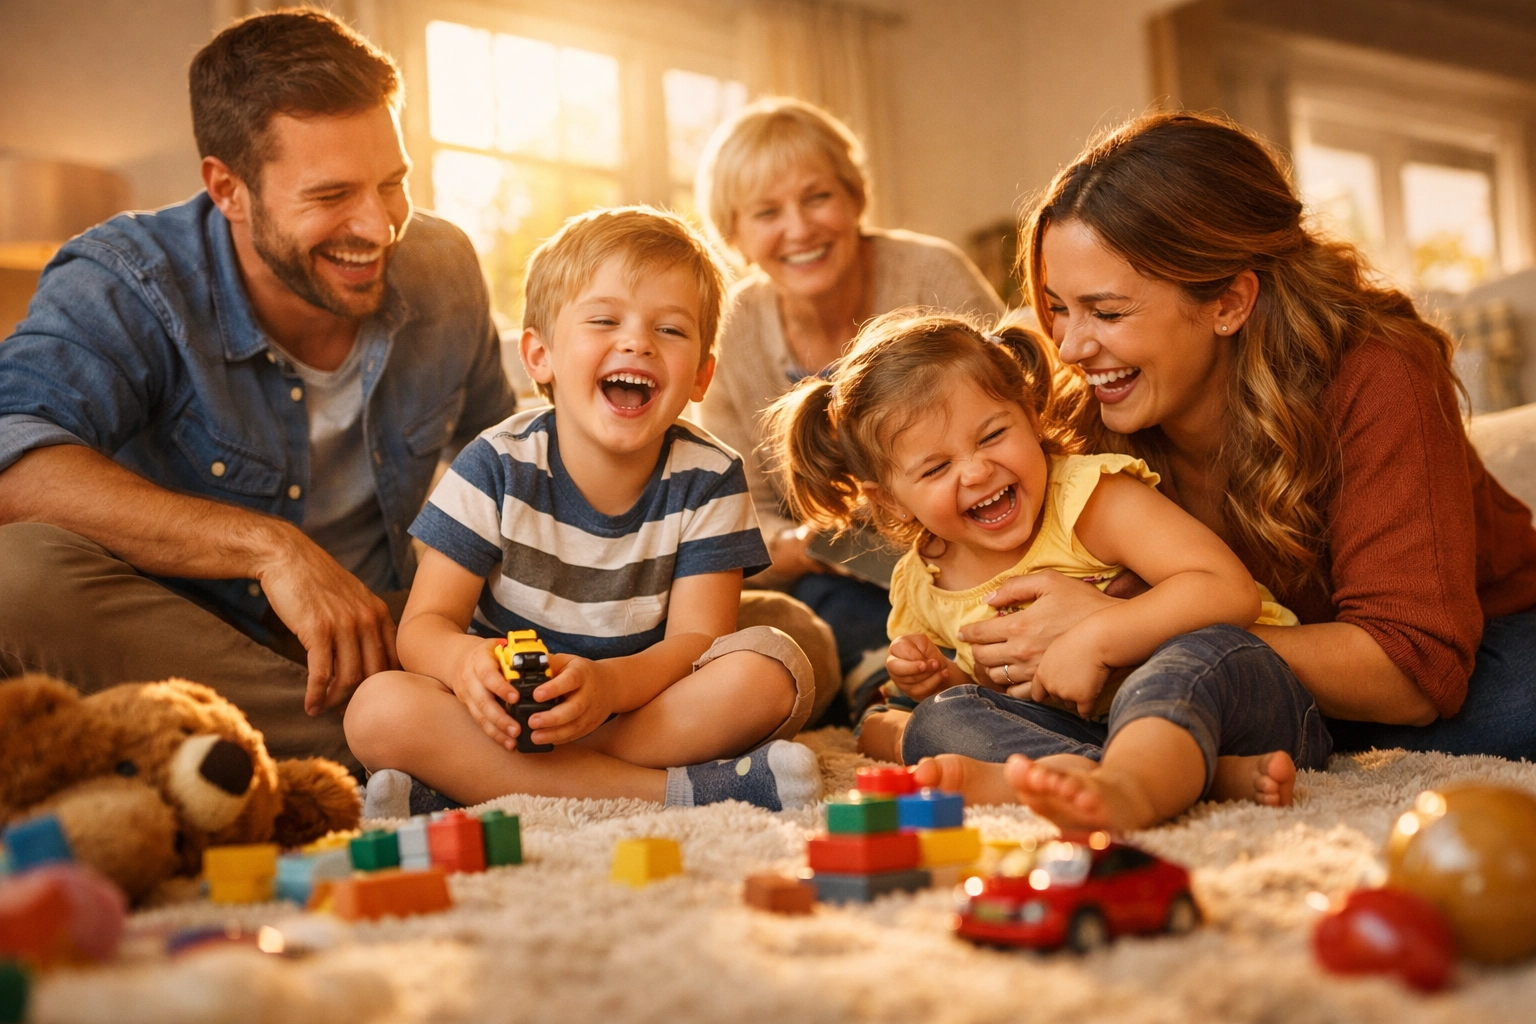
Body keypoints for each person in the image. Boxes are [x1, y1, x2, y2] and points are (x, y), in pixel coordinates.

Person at [904, 112, 1536, 805]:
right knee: (939, 725)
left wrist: (1123, 632)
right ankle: (1146, 767)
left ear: (1229, 301)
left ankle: (1176, 748)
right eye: (1058, 307)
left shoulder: (1378, 373)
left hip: (1476, 648)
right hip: (1224, 682)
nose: (1072, 345)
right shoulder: (1088, 399)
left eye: (1107, 313)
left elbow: (1410, 675)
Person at [0, 10, 517, 770]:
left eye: (392, 183)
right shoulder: (129, 277)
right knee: (16, 575)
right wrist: (269, 549)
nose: (378, 225)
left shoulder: (443, 264)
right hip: (195, 641)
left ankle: (403, 741)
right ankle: (402, 749)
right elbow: (14, 463)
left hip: (389, 630)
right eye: (332, 195)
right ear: (228, 189)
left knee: (734, 624)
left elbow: (505, 460)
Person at [344, 207, 822, 816]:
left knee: (769, 671)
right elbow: (423, 627)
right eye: (603, 320)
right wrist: (465, 662)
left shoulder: (710, 476)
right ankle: (683, 792)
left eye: (671, 331)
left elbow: (699, 640)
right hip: (502, 714)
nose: (637, 342)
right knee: (378, 708)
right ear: (539, 356)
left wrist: (610, 686)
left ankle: (475, 780)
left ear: (702, 375)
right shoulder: (494, 465)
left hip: (638, 705)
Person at [764, 310, 1325, 829]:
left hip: (1246, 697)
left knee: (1189, 655)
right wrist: (945, 681)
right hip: (1096, 732)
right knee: (938, 719)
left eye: (993, 435)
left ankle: (1138, 780)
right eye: (936, 467)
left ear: (1031, 415)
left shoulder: (1088, 498)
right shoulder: (920, 584)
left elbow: (1227, 592)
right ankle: (1177, 775)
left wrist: (1099, 637)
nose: (978, 470)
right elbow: (969, 704)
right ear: (888, 499)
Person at [695, 97, 1004, 723]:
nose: (800, 228)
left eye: (817, 197)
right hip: (828, 574)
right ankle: (900, 702)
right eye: (766, 212)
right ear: (735, 236)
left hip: (973, 536)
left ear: (855, 197)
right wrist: (797, 544)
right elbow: (737, 507)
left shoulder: (929, 272)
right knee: (826, 618)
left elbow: (1017, 411)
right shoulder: (732, 331)